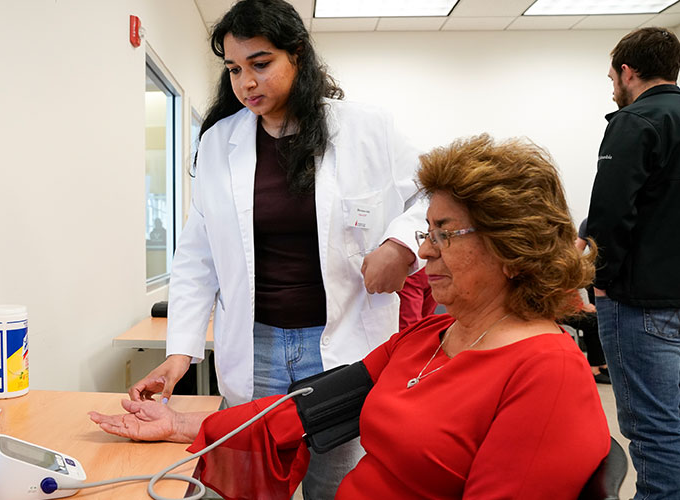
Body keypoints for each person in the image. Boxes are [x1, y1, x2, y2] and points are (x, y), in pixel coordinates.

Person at [92, 134, 611, 500]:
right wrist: (178, 422)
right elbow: (304, 410)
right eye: (426, 231)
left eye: (443, 233)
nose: (423, 251)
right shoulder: (433, 335)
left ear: (513, 247)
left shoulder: (547, 372)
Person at [129, 1, 425, 497]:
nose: (246, 82)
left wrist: (401, 243)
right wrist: (180, 354)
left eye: (260, 64)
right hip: (256, 345)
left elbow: (435, 193)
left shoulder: (366, 129)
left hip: (342, 345)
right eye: (234, 69)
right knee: (250, 482)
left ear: (299, 57)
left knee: (335, 483)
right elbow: (197, 259)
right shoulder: (219, 143)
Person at [586, 26, 680, 499]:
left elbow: (609, 213)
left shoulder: (635, 121)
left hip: (642, 306)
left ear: (628, 71)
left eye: (612, 76)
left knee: (656, 432)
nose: (613, 86)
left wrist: (599, 281)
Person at [562, 218, 609, 383]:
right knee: (592, 322)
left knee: (596, 319)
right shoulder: (557, 262)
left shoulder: (568, 260)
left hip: (572, 306)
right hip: (559, 309)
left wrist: (585, 305)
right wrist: (581, 307)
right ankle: (594, 368)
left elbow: (578, 285)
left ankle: (601, 364)